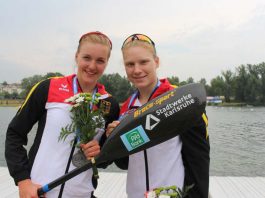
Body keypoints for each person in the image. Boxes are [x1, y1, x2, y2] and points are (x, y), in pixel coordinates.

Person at [5, 31, 120, 198]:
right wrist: (23, 181)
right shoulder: (48, 87)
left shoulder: (109, 104)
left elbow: (103, 161)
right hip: (39, 192)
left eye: (100, 61)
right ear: (76, 56)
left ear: (106, 63)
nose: (92, 66)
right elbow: (14, 134)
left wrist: (100, 152)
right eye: (87, 58)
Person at [106, 33, 210, 198]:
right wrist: (115, 140)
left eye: (143, 62)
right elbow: (124, 163)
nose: (137, 70)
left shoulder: (180, 100)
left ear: (156, 61)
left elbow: (199, 158)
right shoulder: (125, 108)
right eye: (130, 64)